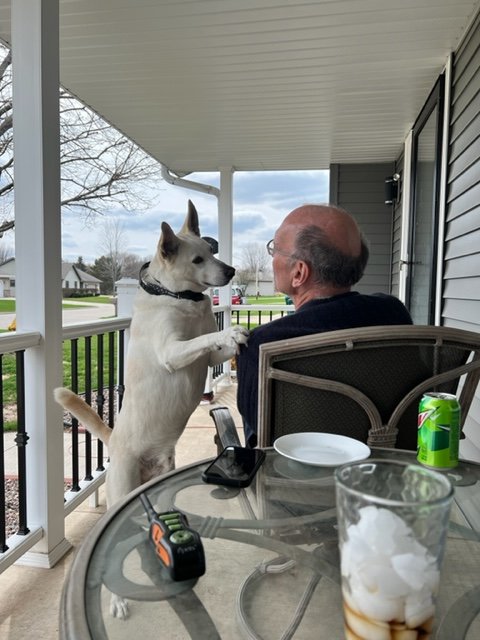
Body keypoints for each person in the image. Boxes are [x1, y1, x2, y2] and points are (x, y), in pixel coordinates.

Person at [236, 203, 413, 448]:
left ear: (299, 273)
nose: (272, 257)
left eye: (275, 248)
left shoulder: (262, 344)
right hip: (389, 464)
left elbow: (259, 437)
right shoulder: (394, 313)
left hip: (297, 469)